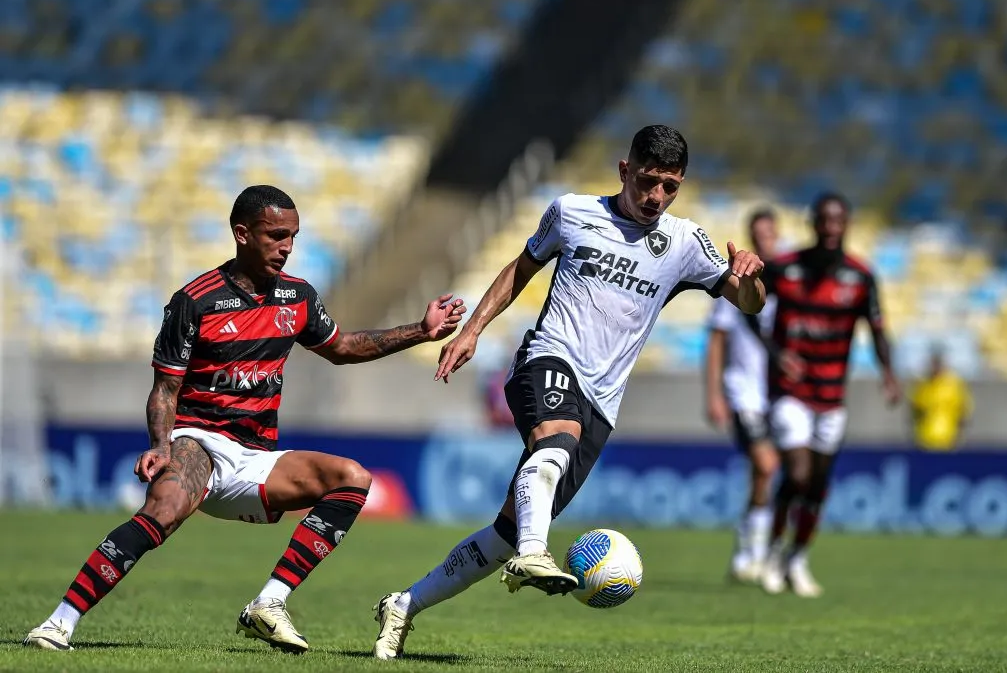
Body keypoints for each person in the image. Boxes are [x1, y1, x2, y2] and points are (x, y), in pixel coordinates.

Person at [371, 124, 766, 660]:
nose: (657, 197)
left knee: (505, 532)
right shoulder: (573, 212)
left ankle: (404, 604)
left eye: (670, 187)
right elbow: (521, 268)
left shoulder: (684, 244)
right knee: (554, 443)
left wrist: (750, 279)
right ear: (624, 170)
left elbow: (750, 303)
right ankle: (535, 552)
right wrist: (472, 331)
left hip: (604, 400)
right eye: (648, 181)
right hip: (549, 358)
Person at [23, 185, 466, 653]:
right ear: (242, 234)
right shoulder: (195, 301)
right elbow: (165, 389)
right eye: (276, 235)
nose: (287, 247)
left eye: (293, 236)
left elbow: (341, 348)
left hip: (254, 456)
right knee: (162, 512)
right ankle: (58, 624)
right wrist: (160, 445)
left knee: (352, 479)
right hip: (197, 442)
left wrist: (420, 331)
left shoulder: (298, 297)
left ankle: (268, 604)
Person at [759, 191, 900, 598]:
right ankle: (770, 551)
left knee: (818, 484)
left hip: (832, 396)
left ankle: (796, 557)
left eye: (838, 221)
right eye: (824, 220)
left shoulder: (860, 276)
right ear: (814, 223)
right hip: (790, 391)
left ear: (847, 224)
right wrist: (775, 352)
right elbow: (747, 310)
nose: (831, 228)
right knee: (798, 472)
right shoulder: (785, 268)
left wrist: (889, 373)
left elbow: (877, 330)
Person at [704, 207, 779, 584]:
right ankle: (755, 553)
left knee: (768, 476)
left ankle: (751, 548)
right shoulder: (736, 281)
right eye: (759, 234)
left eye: (771, 233)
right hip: (744, 392)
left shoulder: (787, 283)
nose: (765, 239)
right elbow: (716, 343)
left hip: (779, 396)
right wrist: (715, 394)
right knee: (767, 466)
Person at [910, 346, 972, 451]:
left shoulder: (954, 385)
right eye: (933, 364)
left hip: (948, 442)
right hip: (924, 442)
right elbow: (915, 412)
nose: (935, 367)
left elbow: (963, 413)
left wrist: (958, 438)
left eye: (938, 364)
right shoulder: (922, 385)